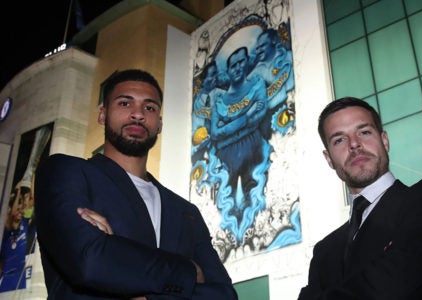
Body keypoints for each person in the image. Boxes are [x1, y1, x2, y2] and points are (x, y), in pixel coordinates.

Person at [34, 69, 237, 299]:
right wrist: (189, 270)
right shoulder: (65, 171)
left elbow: (225, 295)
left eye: (149, 108)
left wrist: (120, 260)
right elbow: (90, 262)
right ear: (102, 114)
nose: (138, 114)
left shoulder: (186, 212)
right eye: (124, 104)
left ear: (159, 124)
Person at [298, 97, 422, 299]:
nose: (354, 144)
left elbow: (393, 286)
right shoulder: (324, 252)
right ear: (329, 159)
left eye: (364, 132)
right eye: (339, 140)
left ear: (384, 140)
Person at [211, 47, 268, 225]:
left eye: (241, 62)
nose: (237, 68)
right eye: (233, 65)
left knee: (252, 195)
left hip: (253, 149)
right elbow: (215, 133)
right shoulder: (219, 102)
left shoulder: (257, 85)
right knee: (227, 202)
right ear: (227, 71)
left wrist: (228, 127)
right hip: (226, 158)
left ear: (247, 63)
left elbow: (259, 116)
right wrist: (246, 117)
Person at [0, 191, 30, 292]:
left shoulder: (26, 225)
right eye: (17, 209)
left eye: (21, 210)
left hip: (21, 280)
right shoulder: (6, 232)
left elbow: (31, 206)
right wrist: (18, 194)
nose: (19, 211)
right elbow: (12, 214)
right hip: (6, 281)